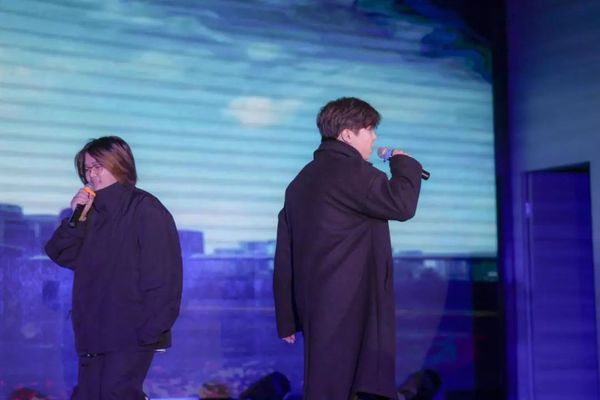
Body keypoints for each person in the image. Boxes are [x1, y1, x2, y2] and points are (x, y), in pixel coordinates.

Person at [273, 97, 423, 400]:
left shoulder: (300, 182)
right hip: (353, 301)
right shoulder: (353, 172)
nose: (374, 137)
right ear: (346, 134)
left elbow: (285, 251)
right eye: (369, 129)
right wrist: (404, 163)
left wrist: (287, 315)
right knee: (359, 384)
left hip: (318, 304)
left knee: (327, 384)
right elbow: (401, 204)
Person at [45, 136, 183, 400]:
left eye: (99, 166)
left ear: (120, 163)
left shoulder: (144, 207)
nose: (92, 174)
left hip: (130, 333)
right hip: (92, 331)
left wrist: (150, 330)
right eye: (87, 168)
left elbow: (164, 274)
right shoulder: (90, 212)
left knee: (116, 393)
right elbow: (61, 253)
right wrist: (76, 218)